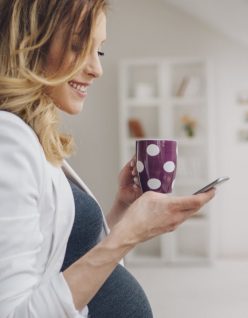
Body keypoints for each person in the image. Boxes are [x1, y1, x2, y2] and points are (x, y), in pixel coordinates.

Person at [0, 1, 215, 317]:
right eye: (78, 46)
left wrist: (123, 211)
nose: (96, 69)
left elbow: (67, 258)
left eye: (98, 51)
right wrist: (129, 235)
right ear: (27, 44)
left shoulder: (31, 137)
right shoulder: (8, 140)